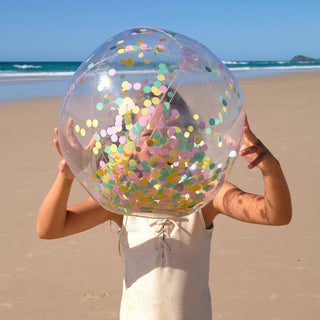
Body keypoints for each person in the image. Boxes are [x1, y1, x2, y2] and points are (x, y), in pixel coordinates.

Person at [37, 96, 292, 319]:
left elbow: (275, 215)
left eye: (170, 131)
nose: (160, 142)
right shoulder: (123, 200)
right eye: (148, 135)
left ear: (187, 136)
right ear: (132, 146)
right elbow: (50, 229)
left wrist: (270, 169)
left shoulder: (205, 194)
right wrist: (67, 176)